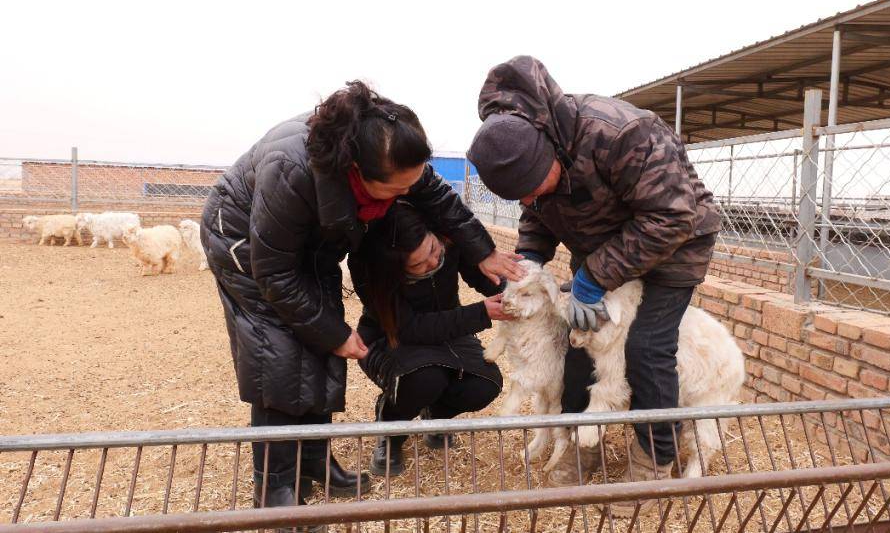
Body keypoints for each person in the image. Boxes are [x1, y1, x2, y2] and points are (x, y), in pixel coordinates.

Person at [201, 80, 523, 511]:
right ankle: (274, 481)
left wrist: (481, 251)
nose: (406, 195)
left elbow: (439, 201)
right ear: (358, 171)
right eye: (395, 190)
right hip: (245, 242)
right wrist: (332, 331)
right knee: (279, 352)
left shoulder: (393, 158)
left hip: (307, 249)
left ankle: (314, 458)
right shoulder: (291, 171)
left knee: (318, 345)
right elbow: (275, 272)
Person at [466, 56, 721, 515]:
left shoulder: (622, 133)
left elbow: (673, 215)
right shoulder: (533, 160)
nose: (527, 199)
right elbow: (538, 209)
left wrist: (592, 278)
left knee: (647, 347)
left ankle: (654, 460)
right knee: (578, 340)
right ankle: (579, 442)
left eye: (530, 185)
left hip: (675, 245)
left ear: (547, 148)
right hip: (603, 249)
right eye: (517, 194)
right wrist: (532, 259)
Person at [350, 203, 512, 476]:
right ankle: (389, 429)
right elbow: (410, 329)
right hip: (391, 339)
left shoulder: (449, 239)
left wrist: (512, 288)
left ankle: (436, 416)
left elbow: (480, 275)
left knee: (485, 383)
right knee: (425, 379)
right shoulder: (373, 269)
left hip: (447, 332)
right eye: (418, 265)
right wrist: (480, 313)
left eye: (435, 251)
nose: (433, 263)